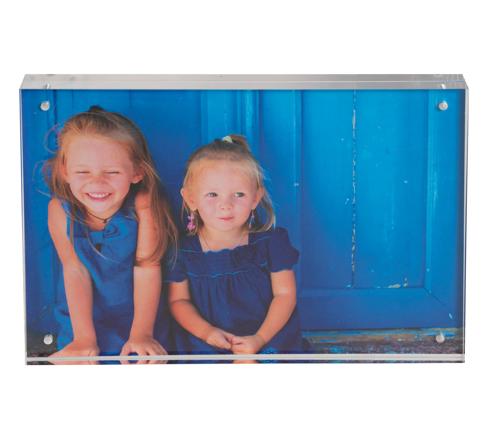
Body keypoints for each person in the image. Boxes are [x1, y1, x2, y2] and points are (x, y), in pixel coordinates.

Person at [44, 106, 177, 363]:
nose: (97, 182)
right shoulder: (59, 209)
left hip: (141, 322)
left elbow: (147, 267)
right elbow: (74, 270)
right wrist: (83, 338)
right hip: (82, 322)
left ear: (137, 171)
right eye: (83, 172)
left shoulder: (144, 205)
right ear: (65, 170)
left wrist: (142, 333)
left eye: (112, 172)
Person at [166, 134, 303, 357]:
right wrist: (207, 333)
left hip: (266, 337)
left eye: (238, 194)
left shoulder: (271, 243)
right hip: (206, 341)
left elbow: (285, 295)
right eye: (212, 194)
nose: (225, 205)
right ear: (191, 199)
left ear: (255, 198)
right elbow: (178, 301)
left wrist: (259, 339)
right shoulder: (182, 251)